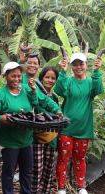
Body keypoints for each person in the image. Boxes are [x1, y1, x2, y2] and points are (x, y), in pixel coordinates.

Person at [0, 62, 58, 194]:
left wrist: (57, 110)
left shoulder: (26, 88)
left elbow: (43, 101)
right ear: (5, 77)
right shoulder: (0, 94)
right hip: (9, 142)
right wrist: (1, 118)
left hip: (26, 140)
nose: (17, 79)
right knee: (8, 173)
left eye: (19, 76)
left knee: (27, 173)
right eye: (13, 76)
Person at [54, 53, 103, 194]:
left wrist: (97, 71)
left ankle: (81, 186)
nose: (78, 67)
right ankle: (61, 187)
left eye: (81, 64)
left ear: (86, 65)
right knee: (63, 158)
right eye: (75, 64)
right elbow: (59, 90)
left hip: (83, 129)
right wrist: (62, 72)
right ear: (71, 66)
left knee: (80, 158)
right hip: (66, 128)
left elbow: (98, 89)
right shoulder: (68, 81)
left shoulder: (90, 82)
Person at [32, 66, 60, 194]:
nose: (50, 80)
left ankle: (45, 191)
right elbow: (36, 109)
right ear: (41, 78)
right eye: (47, 77)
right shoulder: (35, 92)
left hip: (52, 136)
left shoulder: (54, 97)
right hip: (37, 136)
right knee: (37, 168)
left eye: (53, 78)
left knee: (49, 169)